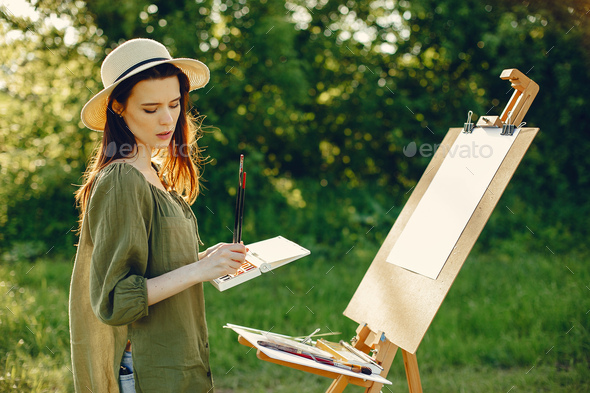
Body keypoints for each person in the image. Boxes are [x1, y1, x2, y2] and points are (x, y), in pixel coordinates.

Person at [69, 38, 247, 393]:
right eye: (150, 109)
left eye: (174, 104)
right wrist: (198, 270)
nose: (167, 119)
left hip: (176, 355)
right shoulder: (122, 179)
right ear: (118, 108)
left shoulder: (151, 170)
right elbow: (116, 301)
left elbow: (153, 269)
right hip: (147, 369)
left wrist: (204, 260)